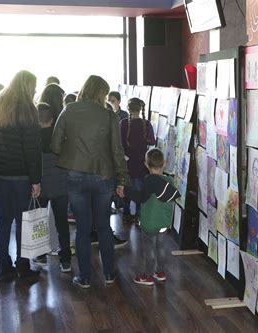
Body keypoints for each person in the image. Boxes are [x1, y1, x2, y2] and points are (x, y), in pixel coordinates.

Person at [51, 75, 129, 289]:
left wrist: (73, 151)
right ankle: (109, 273)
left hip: (75, 174)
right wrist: (122, 178)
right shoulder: (109, 115)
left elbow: (55, 145)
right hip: (104, 176)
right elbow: (117, 150)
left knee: (83, 228)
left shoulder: (68, 110)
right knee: (103, 226)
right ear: (102, 93)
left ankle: (84, 276)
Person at [0, 70, 42, 282]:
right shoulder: (27, 109)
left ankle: (3, 266)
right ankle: (23, 266)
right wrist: (36, 180)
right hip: (20, 174)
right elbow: (32, 149)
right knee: (23, 221)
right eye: (34, 87)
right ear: (27, 86)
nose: (35, 91)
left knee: (4, 218)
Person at [122, 148, 180, 285]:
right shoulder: (169, 182)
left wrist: (126, 191)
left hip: (149, 223)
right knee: (161, 248)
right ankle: (160, 272)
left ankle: (147, 276)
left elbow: (141, 198)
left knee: (149, 250)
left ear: (146, 164)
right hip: (163, 223)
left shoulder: (148, 182)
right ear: (164, 163)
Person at [32, 102, 72, 272]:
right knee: (62, 223)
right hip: (61, 186)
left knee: (39, 220)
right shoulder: (60, 137)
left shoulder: (33, 139)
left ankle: (40, 255)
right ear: (52, 119)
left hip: (40, 186)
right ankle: (65, 261)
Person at [120, 97, 156, 222]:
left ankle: (126, 214)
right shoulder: (146, 124)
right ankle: (139, 215)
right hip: (142, 163)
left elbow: (120, 143)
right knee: (141, 190)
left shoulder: (123, 123)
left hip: (127, 162)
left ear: (128, 109)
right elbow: (152, 141)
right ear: (141, 109)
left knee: (127, 188)